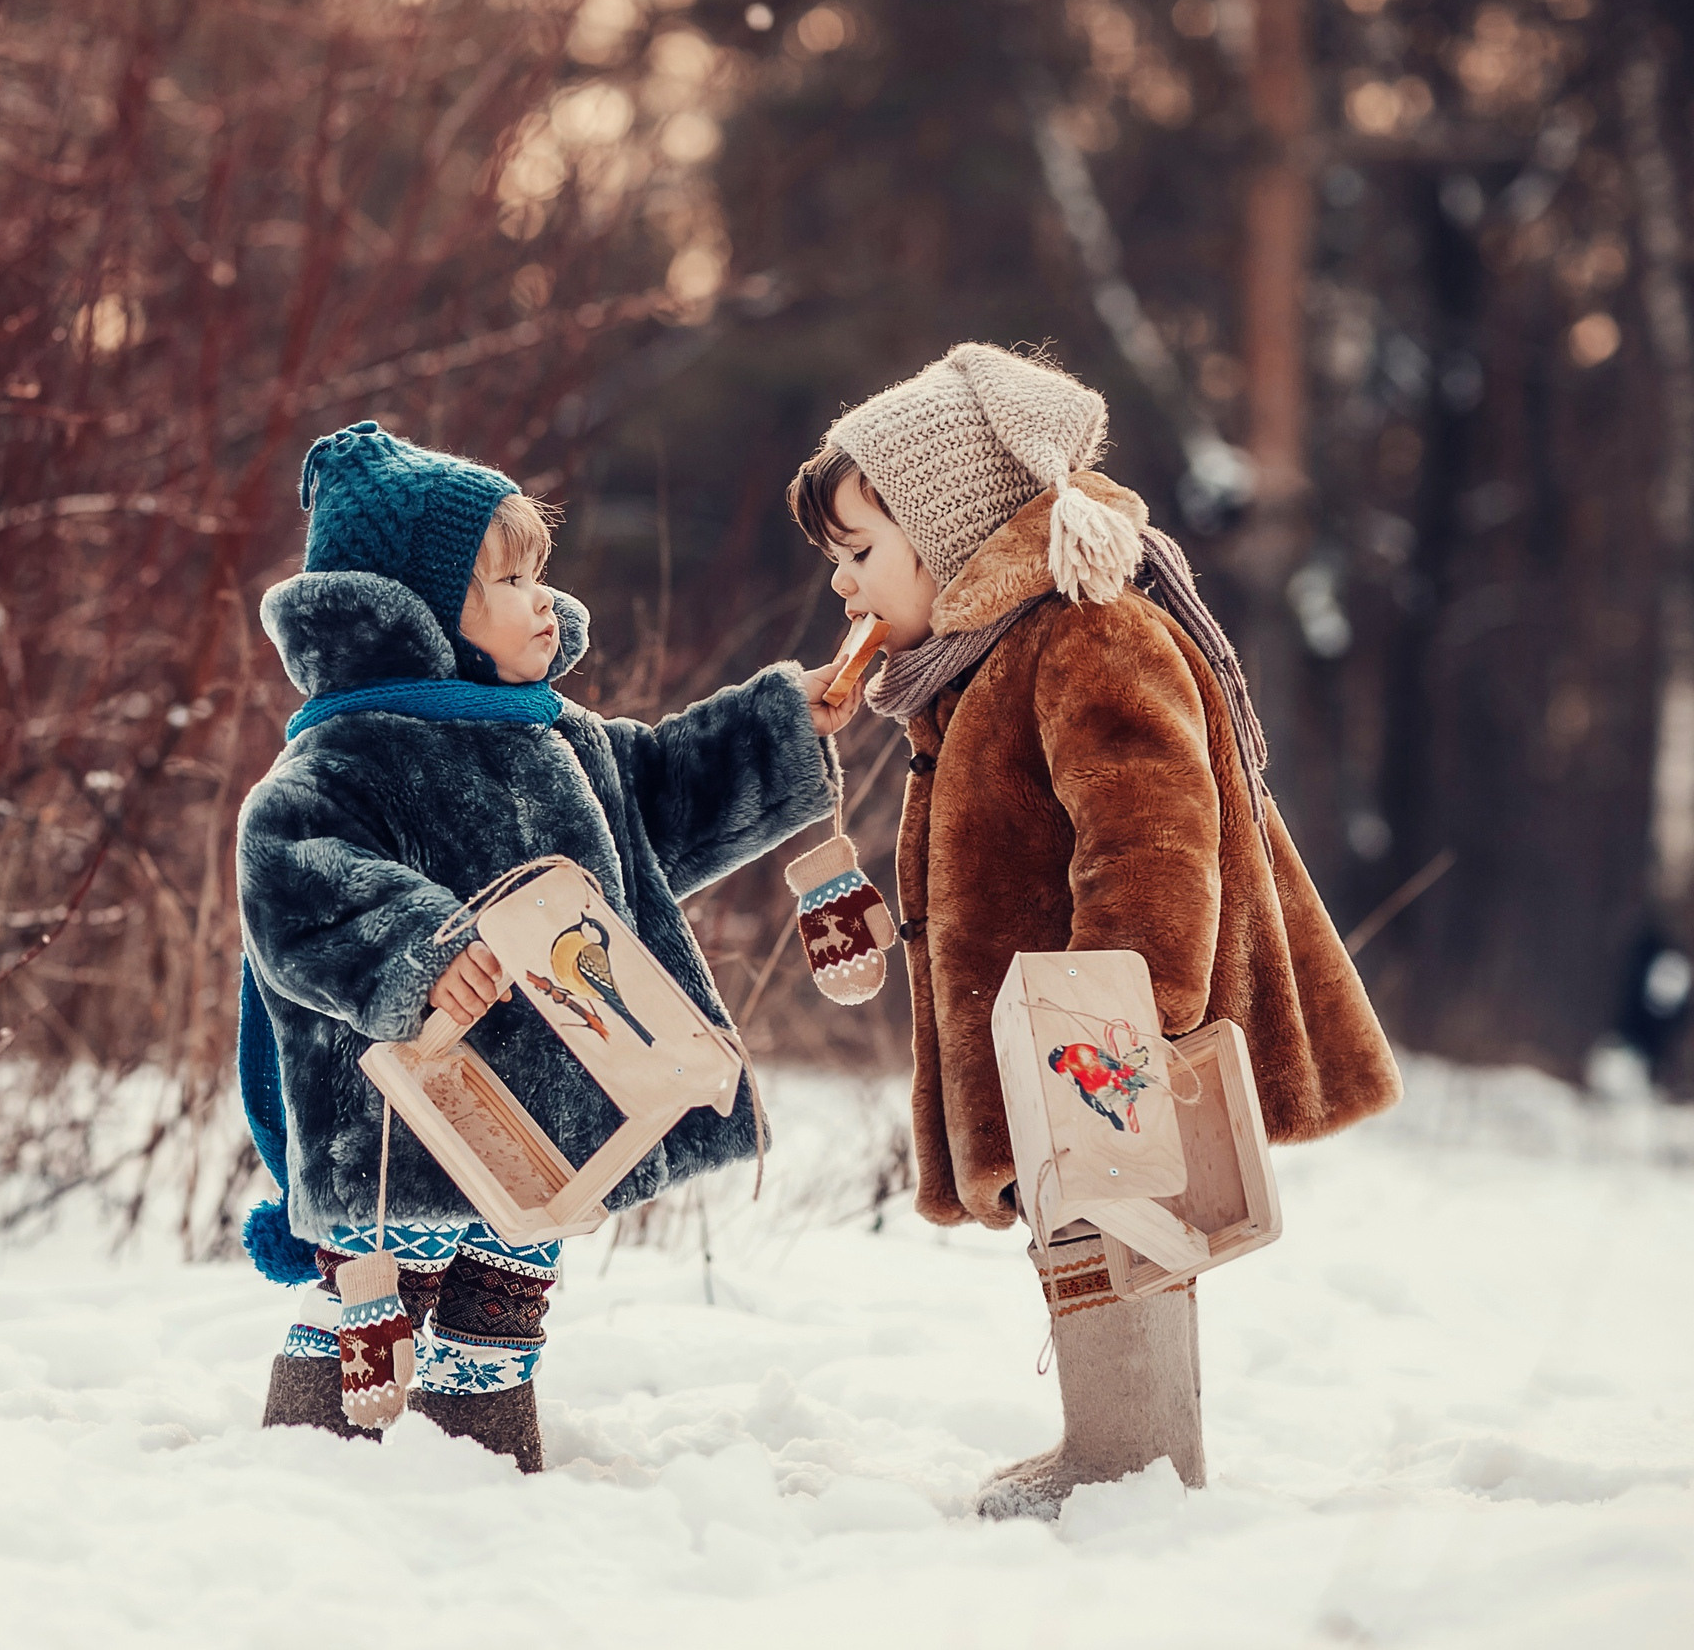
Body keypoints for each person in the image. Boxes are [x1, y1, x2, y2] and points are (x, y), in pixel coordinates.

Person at [789, 344, 1401, 1517]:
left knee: (1123, 1237)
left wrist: (1129, 1020)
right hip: (1053, 1040)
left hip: (1102, 1036)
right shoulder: (979, 659)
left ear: (951, 528)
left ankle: (1134, 1462)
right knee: (1078, 1242)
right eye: (834, 560)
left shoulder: (1084, 631)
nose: (843, 585)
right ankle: (1109, 1444)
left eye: (859, 552)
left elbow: (1151, 835)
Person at [238, 419, 847, 1471]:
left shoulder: (559, 736)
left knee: (504, 1290)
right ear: (418, 614)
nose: (544, 602)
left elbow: (660, 802)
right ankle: (319, 1455)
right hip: (404, 1118)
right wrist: (421, 951)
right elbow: (300, 881)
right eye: (511, 580)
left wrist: (780, 726)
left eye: (537, 573)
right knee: (386, 1286)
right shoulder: (346, 758)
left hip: (551, 1114)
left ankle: (480, 1445)